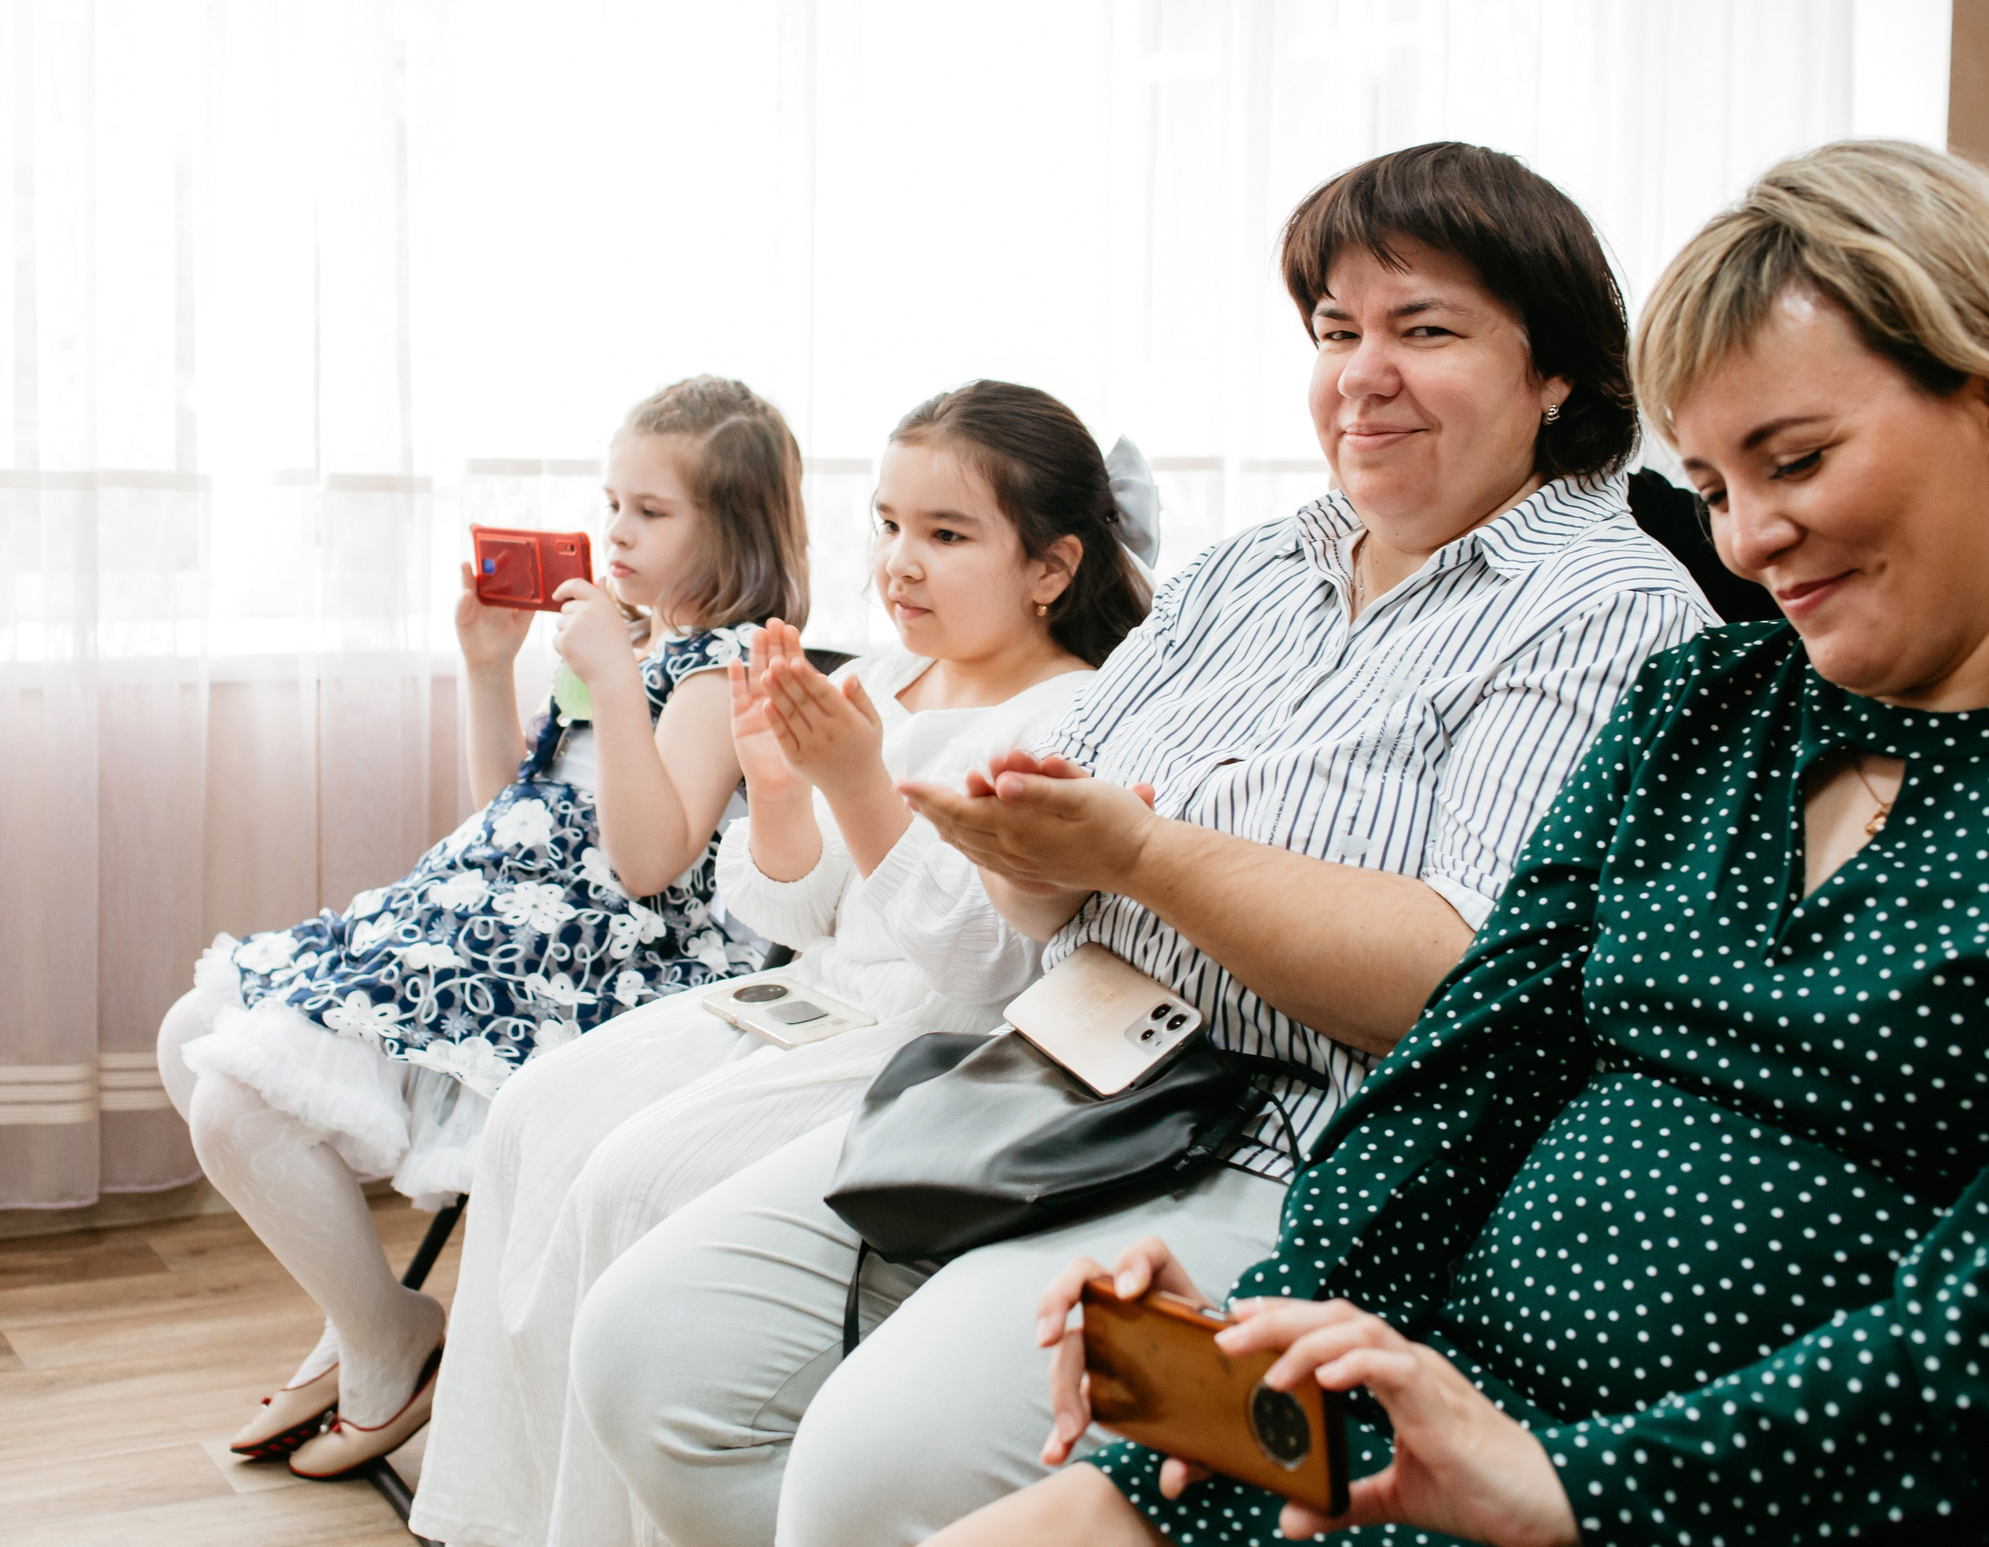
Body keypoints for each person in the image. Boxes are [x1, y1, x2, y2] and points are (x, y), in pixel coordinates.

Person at [930, 139, 1989, 1547]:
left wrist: (1572, 1486)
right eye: (1712, 483)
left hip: (1814, 1489)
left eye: (1794, 460)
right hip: (1470, 1409)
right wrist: (1284, 1326)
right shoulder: (1703, 705)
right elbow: (1463, 1074)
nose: (1747, 540)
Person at [565, 143, 1716, 1547]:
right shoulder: (1251, 567)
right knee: (646, 1352)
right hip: (1048, 1077)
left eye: (1426, 329)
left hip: (1284, 1146)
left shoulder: (1611, 608)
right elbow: (1046, 889)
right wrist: (1028, 846)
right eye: (1338, 330)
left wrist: (1141, 858)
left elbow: (1457, 979)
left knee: (873, 1471)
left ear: (1557, 374)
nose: (1363, 372)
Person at [408, 382, 1152, 1546]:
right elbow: (791, 908)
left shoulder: (1069, 715)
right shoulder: (880, 683)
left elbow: (978, 961)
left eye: (946, 536)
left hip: (919, 1041)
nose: (900, 563)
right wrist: (783, 790)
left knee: (635, 1181)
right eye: (891, 526)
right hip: (803, 997)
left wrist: (854, 784)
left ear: (1051, 568)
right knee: (534, 1116)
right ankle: (506, 1514)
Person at [153, 375, 808, 1478]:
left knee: (230, 1097)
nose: (615, 532)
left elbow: (648, 865)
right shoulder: (632, 642)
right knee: (189, 1033)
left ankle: (383, 1344)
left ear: (733, 529)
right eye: (612, 504)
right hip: (479, 918)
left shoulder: (717, 665)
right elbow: (513, 801)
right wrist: (487, 667)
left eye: (651, 512)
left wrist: (610, 671)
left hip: (587, 961)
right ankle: (369, 1322)